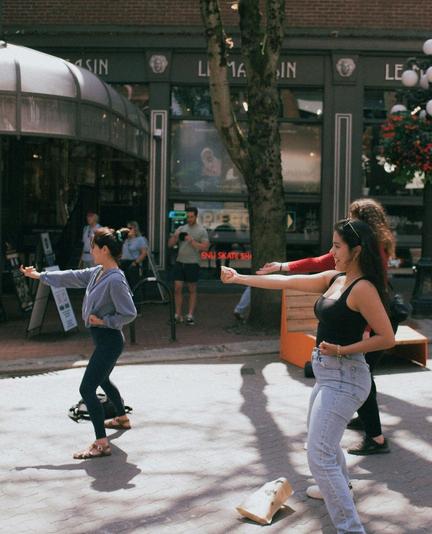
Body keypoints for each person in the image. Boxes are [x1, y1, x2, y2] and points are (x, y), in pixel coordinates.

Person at [221, 219, 395, 534]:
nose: (332, 252)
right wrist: (239, 278)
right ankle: (339, 487)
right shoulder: (335, 279)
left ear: (356, 251)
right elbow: (286, 282)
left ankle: (350, 528)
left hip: (346, 376)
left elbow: (386, 338)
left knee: (319, 454)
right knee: (324, 444)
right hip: (329, 375)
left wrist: (343, 349)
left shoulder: (363, 288)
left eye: (337, 246)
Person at [258, 198, 396, 457]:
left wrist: (356, 336)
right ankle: (367, 425)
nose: (333, 251)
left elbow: (373, 297)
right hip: (356, 331)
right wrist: (281, 268)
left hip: (369, 322)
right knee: (360, 378)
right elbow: (318, 263)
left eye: (352, 218)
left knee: (360, 376)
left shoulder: (367, 257)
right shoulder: (351, 261)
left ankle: (376, 438)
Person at [20, 227, 137, 460]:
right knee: (103, 380)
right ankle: (122, 418)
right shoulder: (98, 272)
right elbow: (71, 276)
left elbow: (130, 313)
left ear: (105, 250)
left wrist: (104, 321)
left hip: (110, 341)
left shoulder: (115, 279)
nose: (90, 250)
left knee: (87, 389)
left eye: (93, 247)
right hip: (105, 340)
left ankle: (101, 444)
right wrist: (40, 276)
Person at [168, 207, 209, 325]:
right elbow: (169, 245)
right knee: (177, 288)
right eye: (188, 217)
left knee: (192, 289)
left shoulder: (201, 230)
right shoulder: (181, 228)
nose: (189, 219)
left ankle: (190, 315)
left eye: (191, 217)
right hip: (180, 262)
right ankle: (178, 315)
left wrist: (191, 241)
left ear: (196, 216)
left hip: (193, 263)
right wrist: (175, 236)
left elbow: (205, 247)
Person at [120, 221, 149, 296]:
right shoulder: (125, 240)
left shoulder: (140, 239)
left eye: (130, 228)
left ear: (135, 229)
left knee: (134, 285)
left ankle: (136, 301)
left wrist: (135, 263)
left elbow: (144, 253)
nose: (128, 230)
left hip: (133, 263)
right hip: (123, 263)